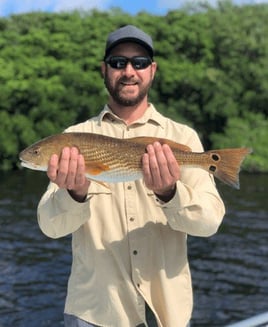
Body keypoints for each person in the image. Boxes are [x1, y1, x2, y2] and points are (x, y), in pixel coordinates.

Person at [37, 25, 225, 327]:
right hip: (94, 313)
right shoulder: (72, 138)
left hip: (168, 314)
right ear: (104, 69)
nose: (128, 70)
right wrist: (75, 193)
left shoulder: (183, 136)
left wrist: (169, 193)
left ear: (152, 70)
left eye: (138, 62)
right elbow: (50, 227)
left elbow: (209, 223)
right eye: (117, 62)